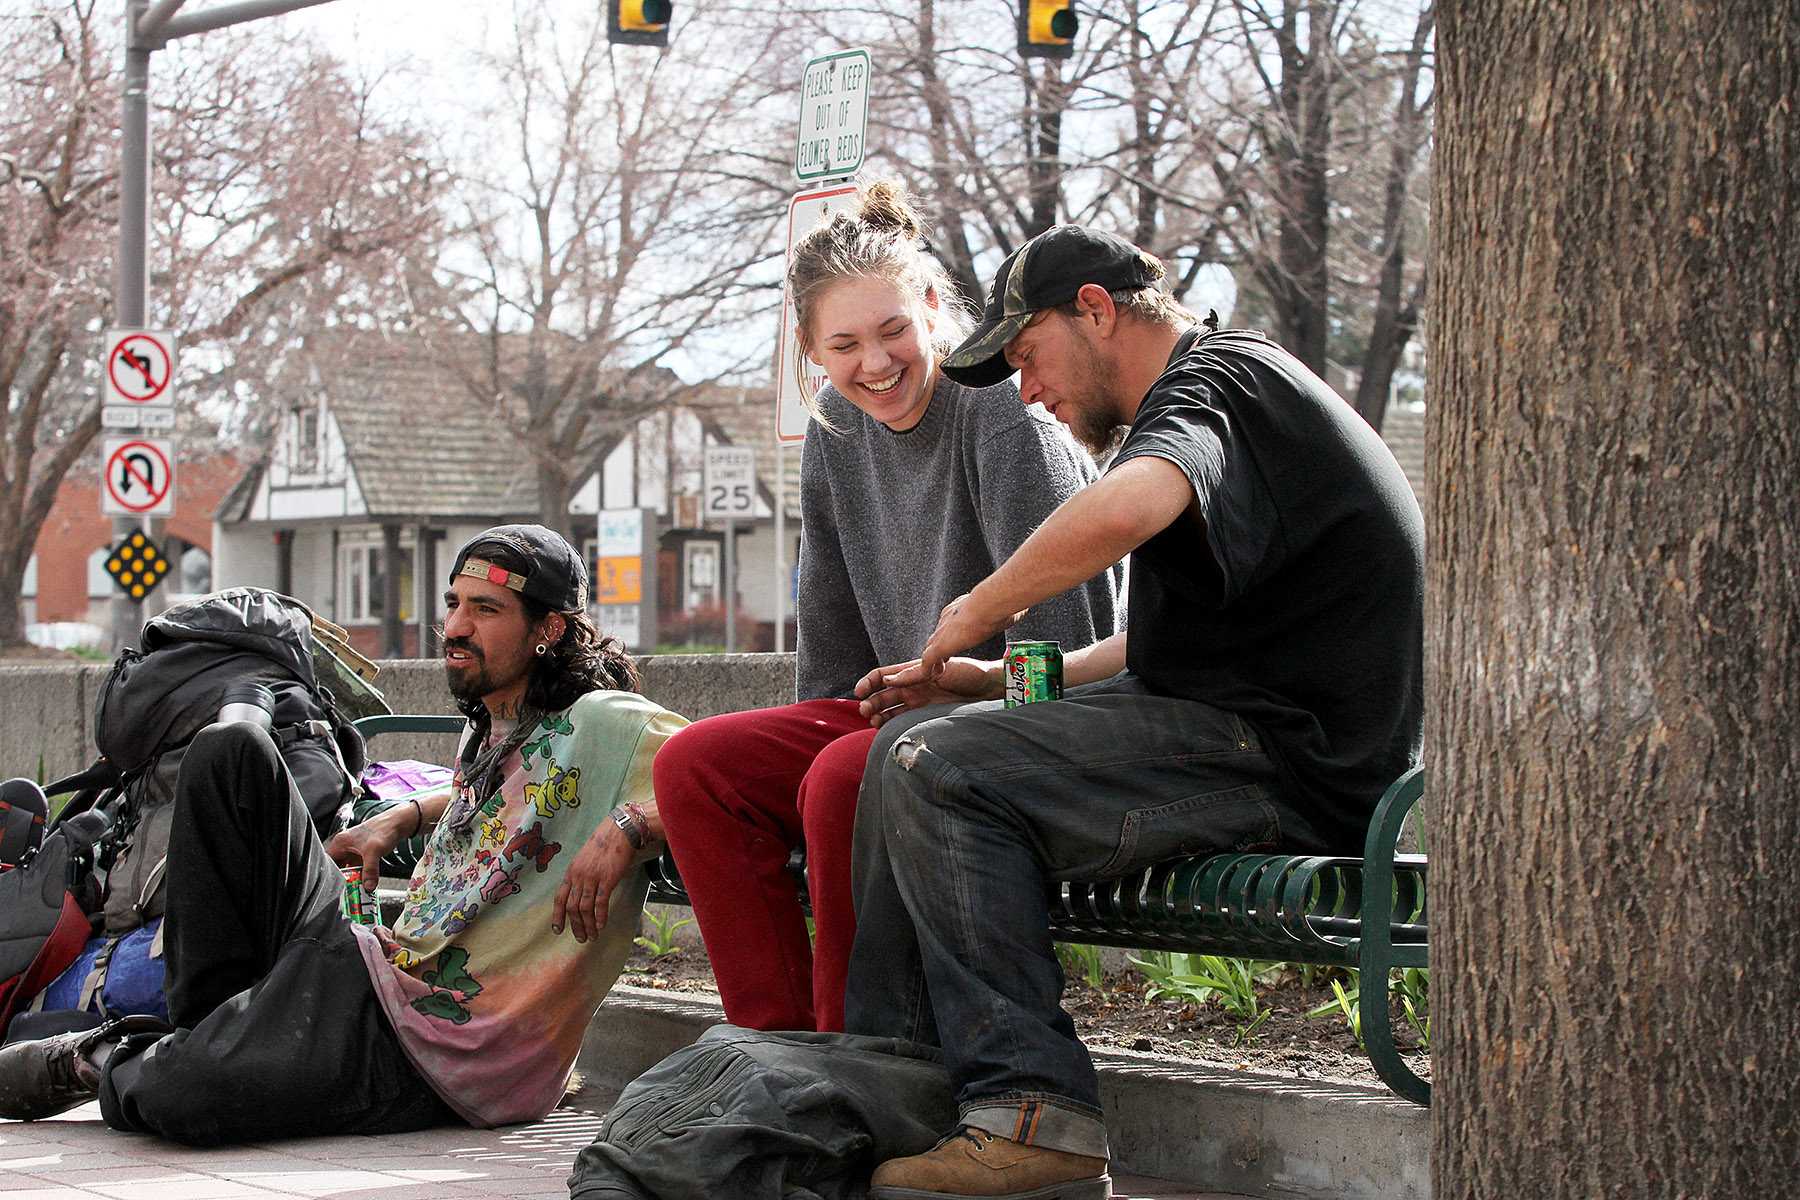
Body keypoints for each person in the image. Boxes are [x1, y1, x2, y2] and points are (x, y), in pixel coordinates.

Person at [843, 225, 1425, 1200]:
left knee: (933, 768)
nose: (1027, 390)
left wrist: (977, 609)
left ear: (1099, 312)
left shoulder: (1215, 386)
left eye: (1029, 356)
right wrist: (988, 682)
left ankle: (1035, 1122)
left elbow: (1130, 505)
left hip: (1289, 765)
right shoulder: (1232, 393)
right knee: (909, 743)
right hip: (1239, 737)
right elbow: (1155, 654)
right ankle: (892, 1097)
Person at [0, 525, 687, 1144]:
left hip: (444, 1051)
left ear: (550, 630)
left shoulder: (608, 722)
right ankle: (203, 1031)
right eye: (453, 605)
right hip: (373, 968)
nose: (454, 628)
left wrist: (629, 825)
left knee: (183, 1102)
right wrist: (403, 815)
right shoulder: (500, 723)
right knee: (229, 752)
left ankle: (103, 1058)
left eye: (485, 610)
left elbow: (736, 776)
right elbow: (518, 786)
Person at [654, 183, 1120, 1035]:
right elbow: (830, 653)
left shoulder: (1002, 411)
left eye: (894, 330)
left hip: (1025, 722)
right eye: (845, 344)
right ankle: (775, 1051)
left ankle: (858, 1057)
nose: (875, 363)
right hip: (903, 717)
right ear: (810, 352)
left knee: (845, 775)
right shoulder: (836, 426)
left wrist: (966, 693)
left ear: (935, 308)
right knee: (695, 765)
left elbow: (1068, 639)